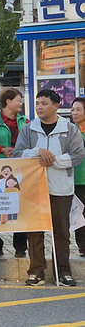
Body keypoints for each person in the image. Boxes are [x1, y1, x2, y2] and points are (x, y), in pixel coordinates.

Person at [15, 89, 84, 287]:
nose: (39, 107)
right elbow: (19, 153)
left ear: (56, 106)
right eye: (37, 103)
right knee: (35, 232)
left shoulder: (69, 129)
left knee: (61, 232)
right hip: (34, 189)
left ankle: (63, 272)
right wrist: (38, 152)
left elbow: (78, 155)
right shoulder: (28, 129)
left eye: (44, 103)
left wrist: (53, 160)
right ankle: (36, 272)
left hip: (61, 188)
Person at [0, 87, 28, 259]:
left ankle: (20, 246)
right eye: (18, 100)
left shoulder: (25, 121)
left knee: (19, 206)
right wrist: (2, 149)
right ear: (8, 101)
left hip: (19, 168)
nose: (21, 103)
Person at [72, 97, 85, 257]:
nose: (74, 113)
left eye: (78, 109)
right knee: (78, 213)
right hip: (76, 178)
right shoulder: (69, 131)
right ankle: (82, 246)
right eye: (72, 110)